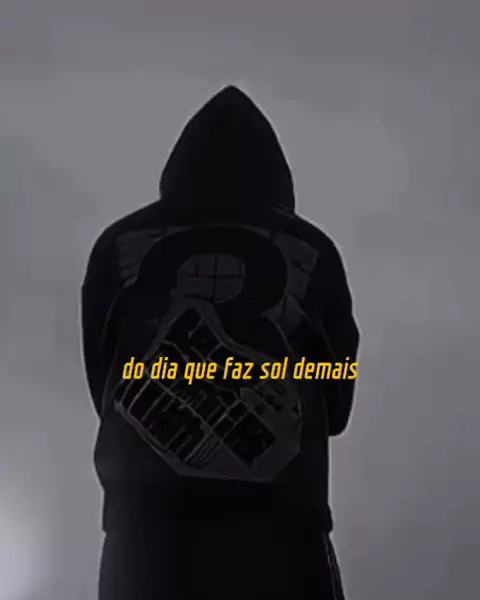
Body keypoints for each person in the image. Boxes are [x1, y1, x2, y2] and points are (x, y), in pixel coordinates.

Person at [81, 85, 360, 600]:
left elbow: (107, 388)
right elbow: (337, 404)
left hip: (144, 535)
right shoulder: (315, 250)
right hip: (282, 531)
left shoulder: (115, 246)